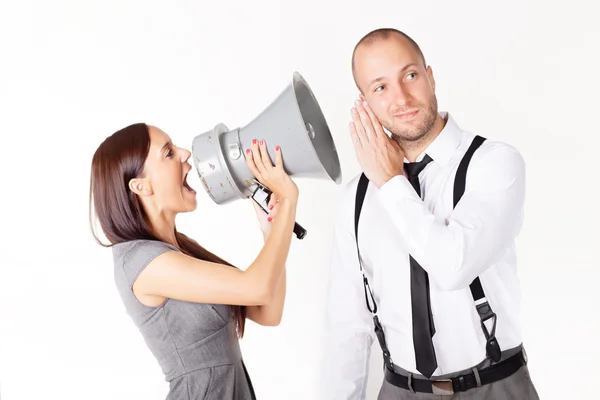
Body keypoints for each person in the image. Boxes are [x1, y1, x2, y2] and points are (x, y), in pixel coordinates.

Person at [320, 28, 539, 399]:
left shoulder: (494, 163)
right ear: (365, 103)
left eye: (410, 75)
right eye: (381, 87)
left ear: (430, 75)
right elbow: (348, 329)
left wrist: (391, 182)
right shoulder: (356, 197)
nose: (402, 98)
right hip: (399, 389)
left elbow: (453, 265)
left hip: (494, 386)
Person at [89, 122, 299, 400]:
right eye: (168, 153)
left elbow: (267, 312)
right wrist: (288, 200)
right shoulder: (143, 263)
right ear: (140, 186)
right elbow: (257, 286)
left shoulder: (182, 250)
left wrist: (271, 229)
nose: (185, 153)